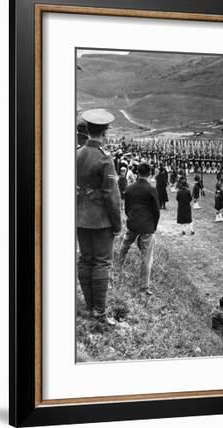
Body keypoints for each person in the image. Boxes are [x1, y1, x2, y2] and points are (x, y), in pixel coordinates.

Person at [76, 109, 122, 325]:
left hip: (80, 218)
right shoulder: (105, 159)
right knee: (102, 263)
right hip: (101, 220)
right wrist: (117, 223)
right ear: (104, 131)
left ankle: (89, 306)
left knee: (86, 259)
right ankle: (99, 312)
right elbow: (111, 195)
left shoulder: (77, 154)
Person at [118, 162, 160, 296]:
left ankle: (116, 270)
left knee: (124, 247)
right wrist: (153, 226)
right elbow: (156, 211)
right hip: (147, 226)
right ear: (149, 174)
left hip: (133, 223)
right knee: (146, 257)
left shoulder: (130, 188)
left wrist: (131, 218)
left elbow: (127, 207)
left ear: (137, 173)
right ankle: (144, 287)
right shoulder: (151, 190)